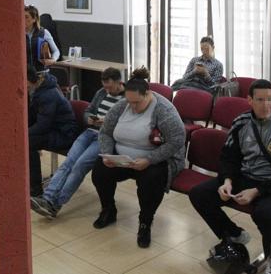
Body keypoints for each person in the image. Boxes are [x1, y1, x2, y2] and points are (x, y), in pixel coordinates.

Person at [189, 79, 271, 274]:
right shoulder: (241, 122)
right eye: (260, 99)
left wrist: (257, 191)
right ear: (249, 100)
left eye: (270, 99)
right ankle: (234, 234)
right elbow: (228, 157)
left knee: (265, 214)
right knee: (199, 194)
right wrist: (226, 180)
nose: (266, 105)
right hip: (245, 176)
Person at [91, 67, 185, 248]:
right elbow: (105, 132)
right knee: (100, 171)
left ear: (148, 94)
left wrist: (149, 159)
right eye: (129, 102)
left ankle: (145, 222)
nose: (133, 107)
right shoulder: (122, 106)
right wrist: (108, 154)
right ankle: (108, 210)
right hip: (123, 157)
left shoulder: (164, 110)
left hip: (156, 158)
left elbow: (176, 142)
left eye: (137, 103)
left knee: (152, 181)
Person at [30, 67, 125, 218]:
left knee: (79, 165)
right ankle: (47, 198)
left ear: (119, 82)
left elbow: (126, 124)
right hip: (88, 132)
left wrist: (106, 122)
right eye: (104, 86)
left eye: (110, 87)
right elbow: (89, 109)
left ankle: (55, 204)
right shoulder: (101, 92)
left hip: (105, 137)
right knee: (69, 162)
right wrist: (88, 118)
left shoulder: (127, 99)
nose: (107, 90)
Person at [27, 65, 79, 197]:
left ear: (28, 79)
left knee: (28, 143)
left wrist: (24, 133)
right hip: (53, 130)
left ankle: (35, 189)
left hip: (64, 134)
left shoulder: (47, 94)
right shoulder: (38, 89)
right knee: (26, 140)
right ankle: (30, 183)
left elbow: (43, 125)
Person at [25, 5, 60, 72]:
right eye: (22, 17)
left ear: (34, 19)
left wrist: (53, 59)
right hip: (26, 74)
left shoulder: (44, 32)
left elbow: (56, 51)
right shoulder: (19, 35)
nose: (23, 20)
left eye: (26, 17)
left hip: (42, 73)